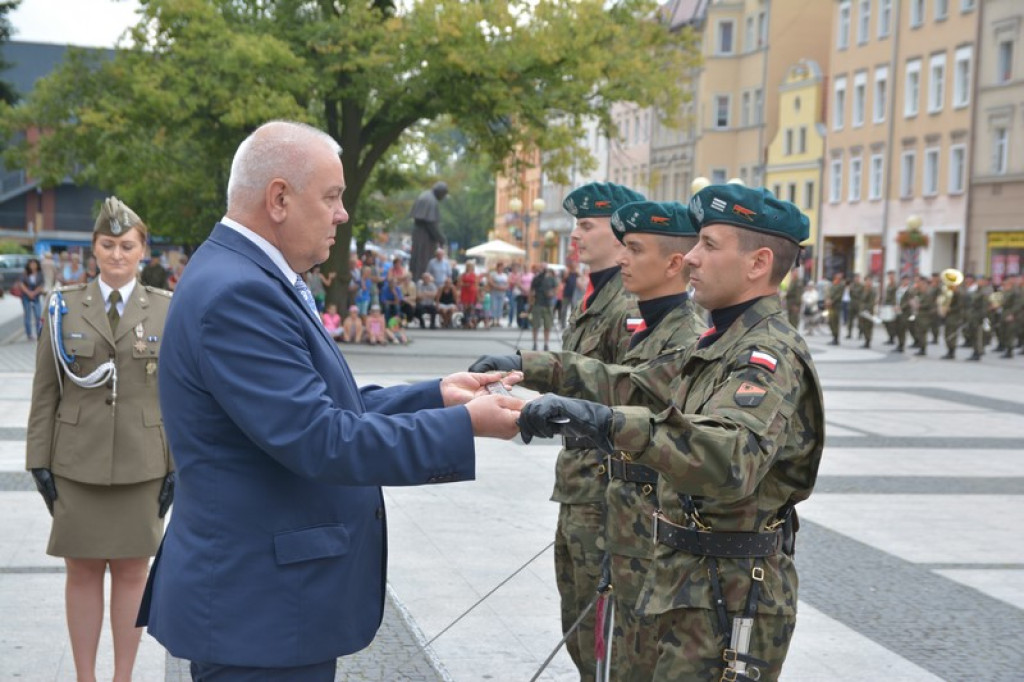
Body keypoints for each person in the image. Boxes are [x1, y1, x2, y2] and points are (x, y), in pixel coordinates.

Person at [136, 122, 522, 680]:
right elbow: (320, 438)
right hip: (261, 613)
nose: (343, 213)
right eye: (332, 196)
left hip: (269, 607)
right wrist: (464, 425)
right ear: (278, 198)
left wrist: (437, 396)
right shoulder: (238, 291)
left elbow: (320, 405)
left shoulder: (249, 274)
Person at [516, 184, 825, 682]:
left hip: (729, 595)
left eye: (709, 245)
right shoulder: (721, 341)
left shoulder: (765, 354)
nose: (693, 259)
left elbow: (729, 456)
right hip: (687, 579)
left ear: (758, 263)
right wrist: (542, 379)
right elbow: (638, 389)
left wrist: (607, 422)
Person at [471, 199, 706, 678]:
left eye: (634, 248)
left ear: (673, 263)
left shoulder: (685, 336)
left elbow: (623, 387)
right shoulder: (649, 324)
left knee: (626, 660)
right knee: (595, 647)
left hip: (639, 520)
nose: (623, 258)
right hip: (617, 511)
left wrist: (533, 372)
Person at [26, 196, 175, 682]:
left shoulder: (166, 311)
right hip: (77, 463)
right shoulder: (62, 307)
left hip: (142, 464)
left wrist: (177, 465)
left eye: (126, 245)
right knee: (83, 572)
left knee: (134, 575)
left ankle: (123, 677)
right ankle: (85, 678)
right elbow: (46, 390)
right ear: (93, 249)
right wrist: (38, 460)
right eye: (107, 245)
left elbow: (180, 396)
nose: (116, 254)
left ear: (143, 252)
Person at [409, 182, 448, 281]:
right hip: (424, 237)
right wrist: (441, 238)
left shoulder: (425, 196)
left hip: (419, 234)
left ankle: (416, 280)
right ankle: (420, 281)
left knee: (417, 261)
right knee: (423, 262)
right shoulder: (431, 200)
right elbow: (431, 224)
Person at [529, 263, 557, 350]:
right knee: (535, 325)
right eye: (541, 267)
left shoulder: (551, 279)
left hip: (548, 305)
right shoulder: (536, 278)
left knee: (547, 326)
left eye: (544, 267)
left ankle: (546, 344)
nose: (543, 269)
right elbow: (531, 290)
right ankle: (535, 343)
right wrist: (531, 300)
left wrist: (552, 293)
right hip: (537, 304)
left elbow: (557, 288)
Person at [17, 257, 45, 341]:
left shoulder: (40, 273)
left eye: (34, 264)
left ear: (37, 265)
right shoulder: (24, 273)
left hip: (36, 297)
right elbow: (21, 284)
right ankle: (29, 334)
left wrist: (34, 293)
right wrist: (29, 293)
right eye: (31, 264)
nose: (32, 266)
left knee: (38, 315)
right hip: (26, 297)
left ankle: (39, 333)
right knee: (27, 316)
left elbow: (41, 284)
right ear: (28, 265)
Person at [488, 261, 509, 327]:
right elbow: (490, 282)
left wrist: (505, 287)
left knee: (500, 307)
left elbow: (508, 283)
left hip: (502, 292)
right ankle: (493, 321)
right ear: (497, 268)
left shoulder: (505, 275)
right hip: (495, 292)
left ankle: (498, 321)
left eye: (502, 267)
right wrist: (497, 287)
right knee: (494, 306)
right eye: (500, 267)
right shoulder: (493, 274)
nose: (501, 268)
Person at [826, 272, 844, 345]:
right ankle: (833, 336)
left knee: (835, 322)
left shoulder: (841, 285)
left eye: (839, 276)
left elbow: (839, 295)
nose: (837, 277)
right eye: (837, 276)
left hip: (836, 306)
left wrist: (832, 301)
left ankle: (836, 338)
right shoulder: (833, 284)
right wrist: (827, 299)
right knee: (830, 321)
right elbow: (829, 293)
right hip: (830, 306)